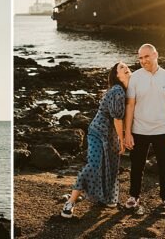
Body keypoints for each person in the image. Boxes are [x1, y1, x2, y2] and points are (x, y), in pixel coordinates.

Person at [61, 62, 130, 218]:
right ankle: (70, 202)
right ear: (116, 75)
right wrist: (123, 139)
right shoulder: (117, 90)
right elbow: (117, 119)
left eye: (127, 67)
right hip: (97, 132)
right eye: (121, 67)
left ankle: (107, 198)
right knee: (93, 165)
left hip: (110, 135)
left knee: (111, 166)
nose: (125, 68)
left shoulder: (128, 91)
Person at [123, 44, 165, 211]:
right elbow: (130, 106)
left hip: (163, 129)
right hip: (139, 129)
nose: (143, 60)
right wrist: (128, 133)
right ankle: (134, 196)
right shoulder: (135, 78)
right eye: (140, 58)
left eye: (146, 56)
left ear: (156, 54)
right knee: (137, 165)